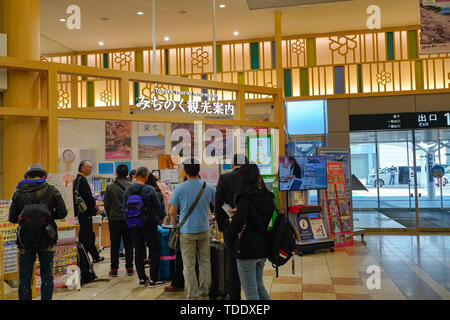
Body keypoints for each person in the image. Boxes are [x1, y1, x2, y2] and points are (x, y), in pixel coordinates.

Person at [8, 164, 68, 300]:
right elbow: (62, 213)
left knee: (25, 277)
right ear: (43, 176)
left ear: (27, 177)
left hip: (25, 240)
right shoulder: (53, 191)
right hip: (47, 238)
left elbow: (12, 218)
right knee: (47, 274)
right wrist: (47, 217)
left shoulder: (18, 192)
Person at [169, 158, 215, 300]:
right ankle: (204, 290)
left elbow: (172, 211)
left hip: (186, 231)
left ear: (185, 171)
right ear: (199, 170)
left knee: (189, 264)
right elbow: (215, 206)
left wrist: (176, 223)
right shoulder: (208, 187)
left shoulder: (180, 188)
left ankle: (192, 294)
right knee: (205, 261)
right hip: (204, 229)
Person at [230, 163, 273, 300]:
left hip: (247, 250)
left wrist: (233, 220)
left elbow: (237, 225)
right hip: (263, 248)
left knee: (251, 292)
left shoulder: (245, 198)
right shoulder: (268, 197)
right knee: (259, 286)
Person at [123, 166, 165, 287]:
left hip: (134, 224)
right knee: (154, 250)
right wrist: (160, 217)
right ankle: (153, 279)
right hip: (149, 224)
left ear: (135, 176)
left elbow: (124, 208)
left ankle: (142, 278)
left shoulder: (128, 190)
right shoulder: (149, 189)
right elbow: (158, 208)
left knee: (139, 251)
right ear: (146, 176)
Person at [214, 154, 249, 300]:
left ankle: (235, 298)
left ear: (232, 164)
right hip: (250, 226)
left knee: (232, 262)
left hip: (231, 226)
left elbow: (218, 204)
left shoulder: (224, 178)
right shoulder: (252, 178)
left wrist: (223, 226)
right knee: (251, 261)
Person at [104, 164, 134, 277]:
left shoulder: (110, 187)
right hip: (129, 218)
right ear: (127, 173)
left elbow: (106, 204)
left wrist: (110, 214)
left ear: (116, 173)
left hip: (115, 219)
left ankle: (114, 269)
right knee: (129, 243)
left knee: (115, 244)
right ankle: (130, 267)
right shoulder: (132, 186)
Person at [73, 160, 104, 263]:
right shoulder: (81, 180)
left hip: (83, 212)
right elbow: (88, 197)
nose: (90, 169)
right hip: (84, 212)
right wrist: (96, 207)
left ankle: (94, 256)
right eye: (89, 167)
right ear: (82, 168)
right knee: (86, 235)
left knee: (88, 234)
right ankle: (83, 258)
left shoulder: (79, 179)